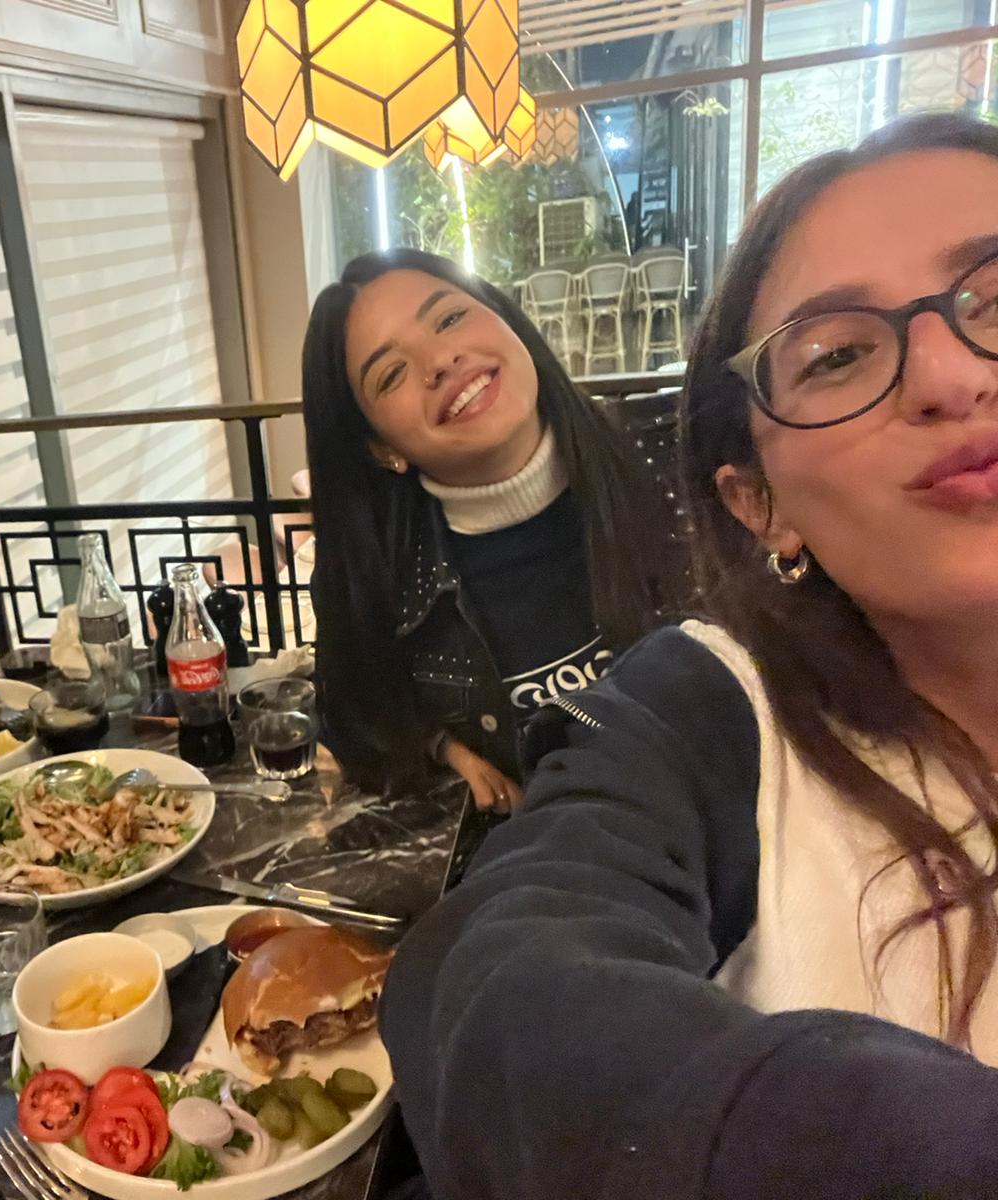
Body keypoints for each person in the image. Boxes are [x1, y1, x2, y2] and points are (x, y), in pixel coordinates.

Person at [380, 113, 998, 1199]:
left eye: (991, 296)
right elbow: (507, 962)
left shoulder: (639, 493)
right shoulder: (702, 700)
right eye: (838, 355)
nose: (951, 375)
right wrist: (454, 749)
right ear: (757, 505)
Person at [303, 248, 671, 811]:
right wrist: (440, 748)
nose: (440, 360)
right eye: (393, 373)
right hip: (539, 857)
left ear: (503, 316)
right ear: (381, 448)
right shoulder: (387, 574)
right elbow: (350, 711)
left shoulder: (680, 458)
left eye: (450, 317)